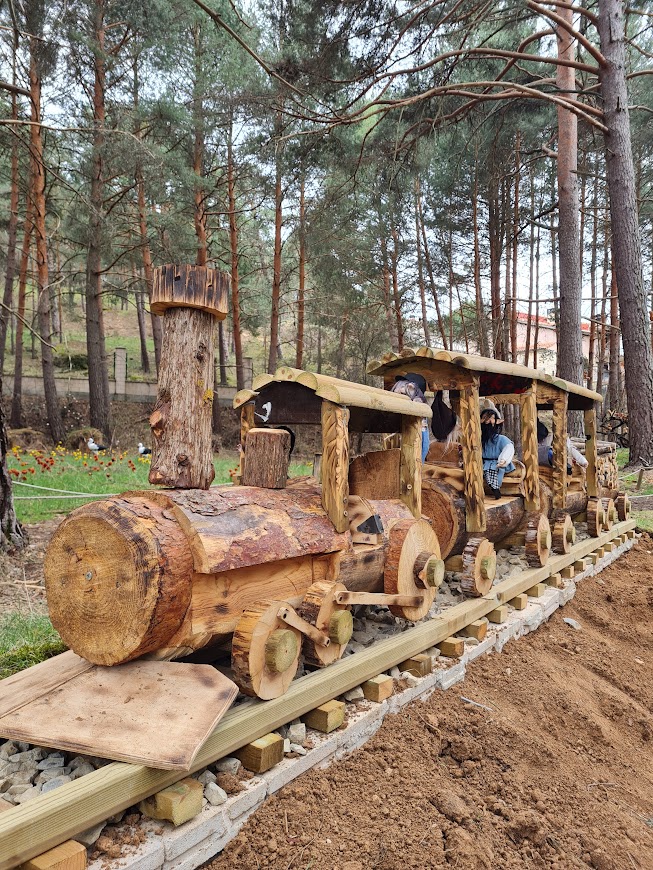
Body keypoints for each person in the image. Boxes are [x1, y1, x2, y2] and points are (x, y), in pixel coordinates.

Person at [390, 373, 430, 462]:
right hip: (413, 430)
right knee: (421, 451)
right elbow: (425, 446)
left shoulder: (398, 390)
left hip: (409, 428)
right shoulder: (410, 389)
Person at [480, 399, 515, 499]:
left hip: (497, 464)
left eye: (491, 419)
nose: (487, 421)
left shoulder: (501, 439)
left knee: (495, 473)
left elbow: (508, 448)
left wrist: (503, 459)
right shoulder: (479, 440)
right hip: (484, 463)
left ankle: (496, 491)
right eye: (485, 418)